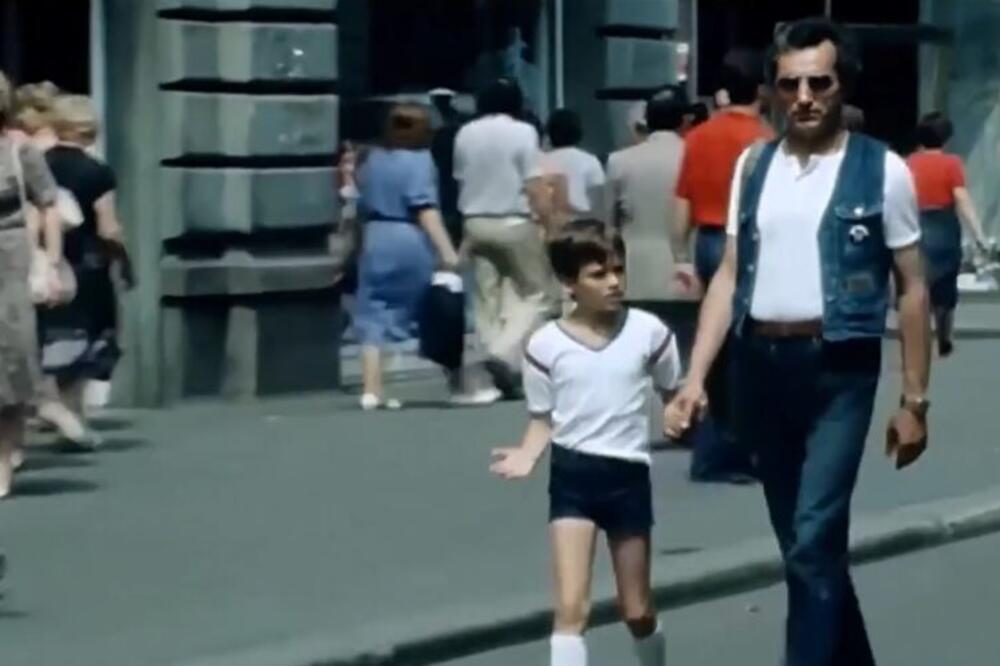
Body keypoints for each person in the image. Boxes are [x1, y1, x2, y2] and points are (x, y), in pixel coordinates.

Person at [666, 19, 930, 666]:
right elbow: (729, 273)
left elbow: (913, 287)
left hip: (840, 367)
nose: (805, 96)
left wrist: (915, 401)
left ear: (843, 85)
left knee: (813, 542)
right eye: (791, 84)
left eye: (820, 81)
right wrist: (695, 377)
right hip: (760, 367)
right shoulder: (753, 167)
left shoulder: (883, 170)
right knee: (804, 549)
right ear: (773, 90)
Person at [491, 220, 680, 666]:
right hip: (573, 478)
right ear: (569, 283)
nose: (614, 282)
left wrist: (679, 409)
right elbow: (543, 418)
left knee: (635, 609)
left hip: (627, 478)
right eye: (598, 274)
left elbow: (674, 392)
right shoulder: (545, 345)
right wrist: (527, 453)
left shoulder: (649, 332)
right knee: (571, 610)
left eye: (618, 269)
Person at [354, 103, 498, 409]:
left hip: (376, 236)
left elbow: (358, 208)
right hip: (409, 238)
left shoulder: (371, 160)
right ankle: (459, 383)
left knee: (373, 311)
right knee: (434, 309)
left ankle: (371, 388)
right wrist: (447, 250)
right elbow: (425, 210)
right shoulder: (420, 162)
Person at [673, 48, 773, 483]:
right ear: (762, 90)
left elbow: (681, 202)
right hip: (746, 245)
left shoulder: (698, 136)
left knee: (713, 348)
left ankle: (713, 445)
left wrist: (681, 253)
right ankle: (735, 448)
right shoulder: (764, 139)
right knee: (747, 349)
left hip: (707, 240)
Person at [35, 95, 131, 447]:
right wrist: (123, 257)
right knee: (87, 339)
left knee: (48, 336)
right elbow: (108, 228)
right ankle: (69, 414)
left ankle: (54, 410)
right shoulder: (98, 171)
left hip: (42, 260)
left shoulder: (37, 163)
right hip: (87, 264)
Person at [454, 78, 553, 398]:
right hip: (514, 221)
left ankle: (499, 371)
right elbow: (534, 183)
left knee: (487, 297)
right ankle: (502, 353)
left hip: (475, 221)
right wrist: (550, 223)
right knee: (537, 294)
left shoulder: (465, 133)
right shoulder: (523, 132)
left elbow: (459, 179)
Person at [0, 71, 63, 497]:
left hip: (10, 258)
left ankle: (3, 458)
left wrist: (51, 262)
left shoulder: (19, 149)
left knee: (11, 357)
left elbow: (49, 204)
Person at [907, 111, 989, 356]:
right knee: (946, 284)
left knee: (918, 283)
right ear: (946, 138)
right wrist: (979, 234)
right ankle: (944, 331)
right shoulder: (952, 163)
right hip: (944, 226)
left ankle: (918, 334)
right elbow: (961, 198)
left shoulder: (908, 163)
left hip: (916, 225)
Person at [605, 87, 687, 305]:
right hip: (686, 267)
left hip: (634, 266)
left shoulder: (618, 160)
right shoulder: (697, 157)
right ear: (683, 121)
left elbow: (608, 221)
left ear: (647, 121)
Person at [543, 109, 605, 220]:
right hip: (581, 223)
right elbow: (598, 198)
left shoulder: (540, 161)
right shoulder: (589, 160)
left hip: (549, 222)